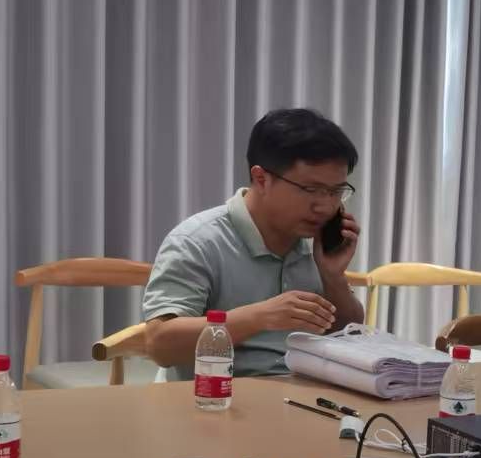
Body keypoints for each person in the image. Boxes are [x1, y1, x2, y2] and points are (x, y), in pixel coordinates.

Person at [143, 109, 365, 378]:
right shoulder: (197, 241)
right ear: (261, 179)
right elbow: (160, 345)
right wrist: (259, 317)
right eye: (311, 190)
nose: (326, 207)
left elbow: (349, 335)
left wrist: (333, 278)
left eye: (336, 191)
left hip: (302, 394)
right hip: (218, 396)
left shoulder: (315, 241)